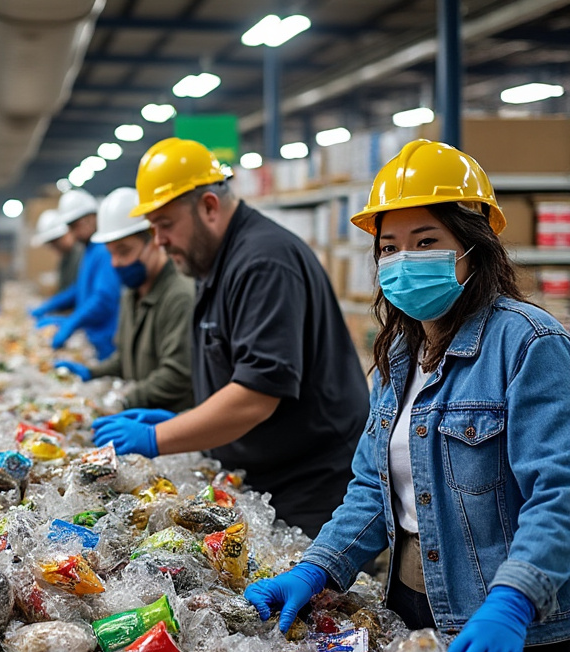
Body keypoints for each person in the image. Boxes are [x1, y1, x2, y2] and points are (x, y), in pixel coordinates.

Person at [245, 139, 570, 652]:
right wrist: (317, 567)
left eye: (425, 243)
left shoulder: (529, 344)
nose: (402, 262)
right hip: (412, 610)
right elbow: (374, 489)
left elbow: (559, 492)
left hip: (516, 628)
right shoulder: (398, 357)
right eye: (389, 248)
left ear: (474, 247)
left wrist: (513, 601)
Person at [92, 138, 368, 537]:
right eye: (152, 227)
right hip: (264, 472)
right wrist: (183, 423)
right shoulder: (214, 263)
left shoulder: (263, 263)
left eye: (165, 224)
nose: (159, 240)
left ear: (208, 206)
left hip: (310, 485)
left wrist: (157, 438)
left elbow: (255, 396)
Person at [56, 187, 194, 413]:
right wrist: (92, 372)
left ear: (154, 242)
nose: (116, 263)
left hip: (168, 422)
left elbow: (177, 374)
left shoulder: (179, 295)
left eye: (124, 251)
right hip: (140, 412)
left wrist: (124, 401)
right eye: (111, 253)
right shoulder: (131, 293)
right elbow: (126, 359)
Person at [32, 189, 121, 359]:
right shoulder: (89, 250)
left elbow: (104, 299)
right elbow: (81, 287)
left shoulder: (103, 250)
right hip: (94, 336)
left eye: (75, 226)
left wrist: (73, 321)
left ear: (90, 218)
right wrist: (50, 306)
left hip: (107, 338)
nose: (72, 233)